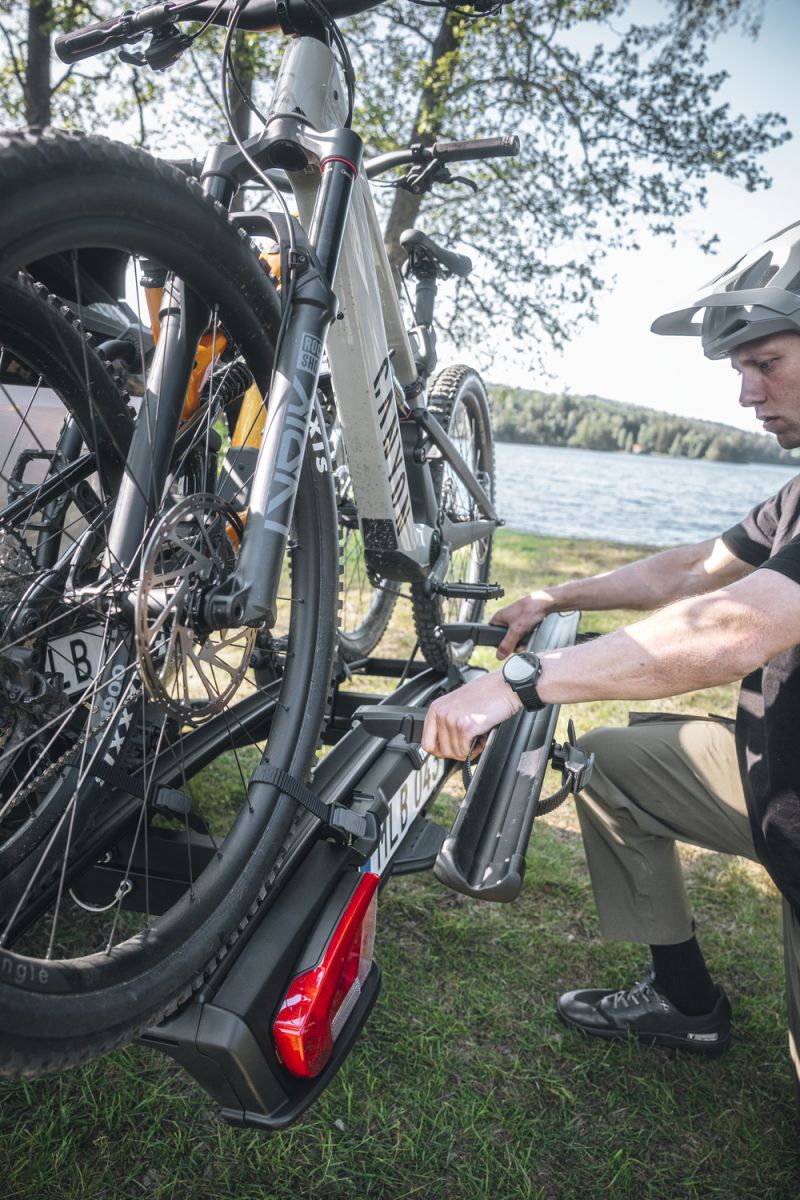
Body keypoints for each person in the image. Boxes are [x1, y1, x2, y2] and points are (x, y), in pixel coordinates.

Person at [421, 221, 800, 1095]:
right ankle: (684, 1003)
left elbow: (733, 628)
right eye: (738, 370)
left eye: (766, 363)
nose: (746, 392)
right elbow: (696, 570)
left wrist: (518, 684)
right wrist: (556, 597)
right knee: (614, 765)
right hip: (771, 786)